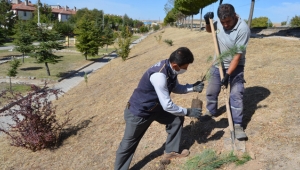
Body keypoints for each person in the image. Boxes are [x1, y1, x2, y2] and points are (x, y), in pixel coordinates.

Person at [114, 47, 205, 170]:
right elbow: (167, 105)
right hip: (139, 113)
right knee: (128, 145)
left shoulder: (170, 69)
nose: (186, 69)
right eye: (185, 67)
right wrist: (188, 112)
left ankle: (171, 151)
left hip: (155, 108)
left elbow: (175, 87)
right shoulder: (159, 76)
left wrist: (192, 87)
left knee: (176, 119)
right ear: (175, 65)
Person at [202, 4, 250, 140]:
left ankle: (238, 125)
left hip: (236, 66)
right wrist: (207, 22)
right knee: (212, 90)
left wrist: (228, 74)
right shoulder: (220, 23)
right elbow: (210, 30)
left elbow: (237, 56)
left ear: (234, 16)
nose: (225, 25)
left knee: (236, 94)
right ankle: (210, 111)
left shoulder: (243, 29)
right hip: (218, 64)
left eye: (228, 21)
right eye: (222, 22)